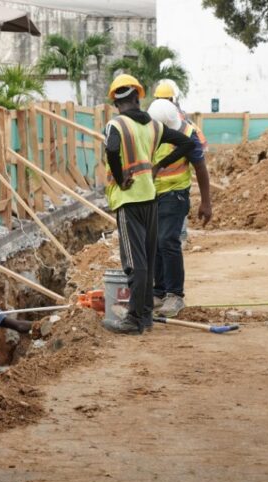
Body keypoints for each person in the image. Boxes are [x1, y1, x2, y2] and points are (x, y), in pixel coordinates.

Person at [102, 74, 195, 335]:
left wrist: (120, 179)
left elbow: (111, 149)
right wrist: (160, 165)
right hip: (151, 198)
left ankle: (133, 319)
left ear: (116, 102)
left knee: (135, 262)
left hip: (128, 199)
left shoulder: (116, 125)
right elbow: (187, 142)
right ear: (138, 97)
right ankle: (144, 319)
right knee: (148, 258)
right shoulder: (154, 126)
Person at [146, 99, 212, 318]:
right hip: (151, 195)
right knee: (154, 241)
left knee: (167, 240)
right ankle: (159, 291)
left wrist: (206, 202)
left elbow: (200, 168)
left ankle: (175, 295)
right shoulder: (147, 130)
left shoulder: (187, 132)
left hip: (175, 194)